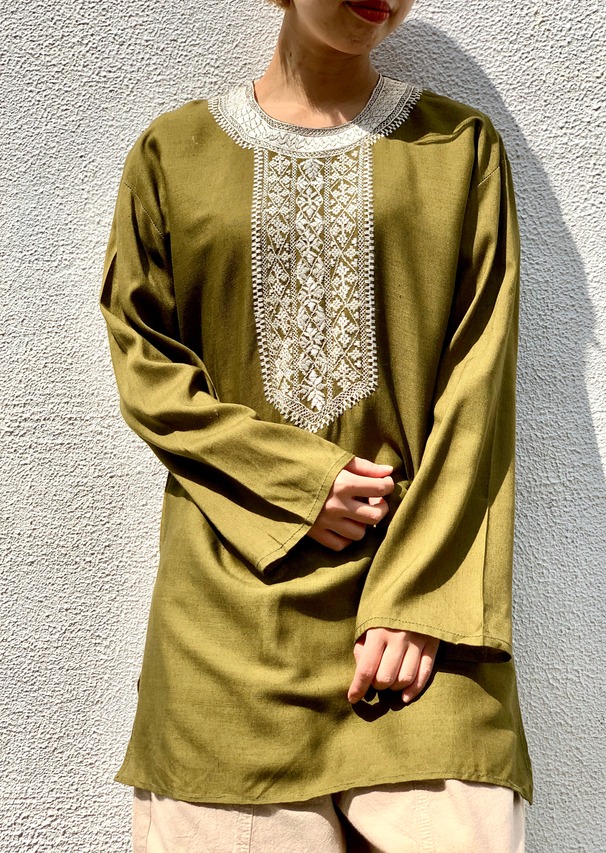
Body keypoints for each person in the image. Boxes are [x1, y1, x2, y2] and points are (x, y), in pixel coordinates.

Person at [100, 0, 533, 849]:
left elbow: (480, 385)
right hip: (225, 626)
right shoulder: (173, 154)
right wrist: (299, 483)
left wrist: (422, 600)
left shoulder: (459, 148)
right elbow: (145, 365)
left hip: (418, 628)